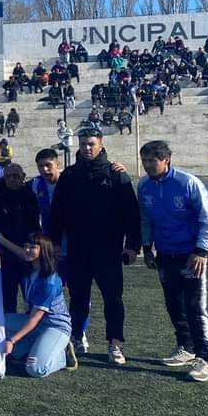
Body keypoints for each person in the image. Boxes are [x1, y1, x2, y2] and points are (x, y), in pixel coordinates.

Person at [49, 127, 141, 365]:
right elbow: (57, 213)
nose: (87, 148)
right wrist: (55, 242)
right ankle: (77, 338)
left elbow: (131, 214)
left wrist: (132, 245)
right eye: (83, 144)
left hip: (108, 251)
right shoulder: (69, 176)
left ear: (100, 144)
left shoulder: (116, 174)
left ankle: (115, 343)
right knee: (78, 297)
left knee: (113, 298)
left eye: (91, 144)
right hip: (78, 250)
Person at [139, 140, 208, 382]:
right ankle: (186, 346)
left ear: (167, 160)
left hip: (190, 256)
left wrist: (201, 251)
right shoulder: (144, 187)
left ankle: (204, 358)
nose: (148, 165)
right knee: (173, 303)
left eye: (153, 160)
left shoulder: (187, 183)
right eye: (145, 161)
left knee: (195, 306)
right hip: (164, 254)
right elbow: (146, 220)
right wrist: (147, 248)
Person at [0, 232, 78, 377]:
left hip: (55, 326)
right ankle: (36, 347)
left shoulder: (49, 282)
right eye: (26, 246)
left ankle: (62, 356)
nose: (27, 250)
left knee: (35, 369)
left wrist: (12, 340)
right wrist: (1, 239)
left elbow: (34, 318)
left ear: (43, 251)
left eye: (32, 247)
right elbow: (21, 253)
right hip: (35, 324)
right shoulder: (30, 268)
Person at [0, 163, 41, 313]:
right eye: (8, 176)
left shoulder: (31, 194)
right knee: (7, 301)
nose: (12, 179)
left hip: (29, 255)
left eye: (16, 176)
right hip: (4, 257)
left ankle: (32, 332)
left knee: (32, 299)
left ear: (24, 177)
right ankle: (8, 332)